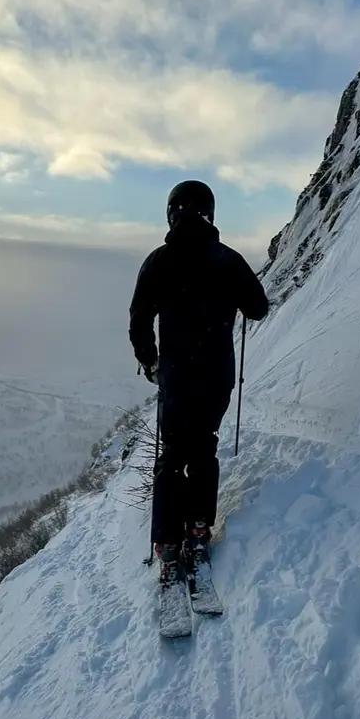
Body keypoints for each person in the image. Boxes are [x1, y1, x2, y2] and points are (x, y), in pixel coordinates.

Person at [129, 180, 269, 584]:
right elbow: (258, 308)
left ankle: (167, 542)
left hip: (176, 374)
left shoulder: (158, 262)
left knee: (173, 451)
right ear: (210, 213)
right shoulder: (227, 260)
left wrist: (150, 361)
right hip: (216, 373)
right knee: (204, 444)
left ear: (172, 213)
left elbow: (139, 320)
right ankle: (197, 528)